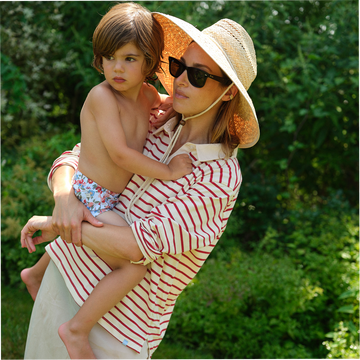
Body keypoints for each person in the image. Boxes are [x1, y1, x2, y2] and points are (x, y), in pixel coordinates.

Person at [21, 12, 260, 360]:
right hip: (62, 279)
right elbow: (77, 156)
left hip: (116, 331)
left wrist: (57, 222)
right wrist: (63, 198)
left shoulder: (219, 178)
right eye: (179, 67)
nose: (179, 81)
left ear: (226, 93)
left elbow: (137, 246)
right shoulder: (158, 122)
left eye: (197, 76)